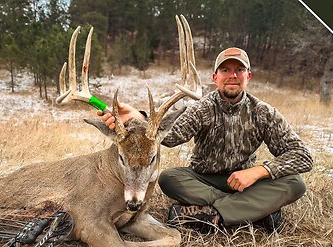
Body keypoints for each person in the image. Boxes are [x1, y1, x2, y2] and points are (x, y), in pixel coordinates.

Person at [99, 47, 314, 232]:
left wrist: (257, 172)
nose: (232, 75)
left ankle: (209, 214)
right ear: (215, 77)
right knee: (169, 178)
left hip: (247, 182)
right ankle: (256, 212)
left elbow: (303, 156)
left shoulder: (263, 112)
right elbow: (170, 137)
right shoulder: (203, 108)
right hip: (203, 180)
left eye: (239, 70)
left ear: (248, 76)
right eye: (225, 70)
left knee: (295, 183)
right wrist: (138, 117)